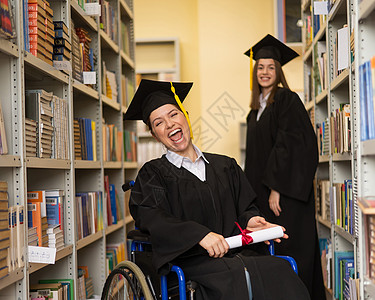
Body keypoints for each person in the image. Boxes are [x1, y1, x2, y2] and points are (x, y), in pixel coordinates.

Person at [124, 79, 311, 300]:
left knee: (281, 271)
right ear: (155, 135)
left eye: (173, 114)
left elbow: (246, 206)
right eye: (158, 122)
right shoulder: (152, 174)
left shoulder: (225, 166)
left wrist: (251, 220)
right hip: (192, 263)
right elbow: (152, 217)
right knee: (231, 282)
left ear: (185, 116)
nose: (169, 124)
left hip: (237, 255)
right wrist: (199, 236)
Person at [243, 34, 326, 299]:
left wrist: (276, 187)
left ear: (278, 71)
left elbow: (293, 146)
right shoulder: (254, 110)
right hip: (264, 196)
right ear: (254, 71)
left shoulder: (287, 100)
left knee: (292, 250)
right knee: (270, 253)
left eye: (270, 67)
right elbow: (255, 158)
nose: (265, 72)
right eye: (260, 67)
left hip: (285, 196)